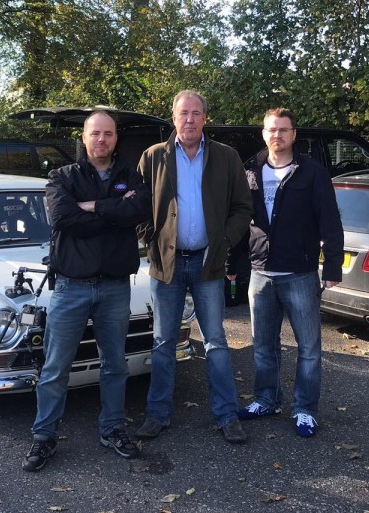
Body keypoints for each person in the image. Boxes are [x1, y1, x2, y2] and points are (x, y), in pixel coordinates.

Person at [23, 110, 150, 472]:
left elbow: (140, 209)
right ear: (84, 137)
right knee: (55, 367)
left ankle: (112, 429)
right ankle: (44, 436)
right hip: (70, 287)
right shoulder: (61, 176)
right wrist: (114, 212)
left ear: (115, 138)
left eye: (108, 134)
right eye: (95, 134)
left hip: (114, 288)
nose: (102, 140)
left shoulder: (130, 174)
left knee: (115, 365)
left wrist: (94, 206)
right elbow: (63, 218)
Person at [136, 90, 253, 444]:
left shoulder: (226, 157)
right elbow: (138, 205)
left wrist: (224, 242)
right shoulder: (153, 157)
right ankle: (157, 415)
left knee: (216, 341)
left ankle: (226, 415)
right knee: (162, 342)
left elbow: (242, 207)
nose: (189, 119)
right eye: (183, 113)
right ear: (173, 117)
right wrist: (149, 238)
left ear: (205, 118)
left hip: (208, 263)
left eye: (196, 113)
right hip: (166, 265)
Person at [233, 108, 344, 438]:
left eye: (283, 129)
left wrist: (333, 265)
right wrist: (233, 265)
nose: (276, 135)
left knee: (309, 347)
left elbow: (330, 221)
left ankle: (305, 409)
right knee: (263, 345)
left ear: (294, 134)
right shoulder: (249, 170)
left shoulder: (311, 172)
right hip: (260, 273)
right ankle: (267, 400)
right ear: (263, 134)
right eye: (271, 130)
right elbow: (240, 219)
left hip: (299, 272)